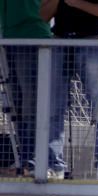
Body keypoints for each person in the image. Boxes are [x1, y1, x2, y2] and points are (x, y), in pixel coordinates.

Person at [48, 0, 98, 180]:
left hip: (90, 41)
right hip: (60, 40)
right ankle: (54, 165)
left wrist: (76, 3)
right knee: (53, 108)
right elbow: (42, 15)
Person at [2, 0, 52, 176]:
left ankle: (33, 159)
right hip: (9, 38)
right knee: (17, 105)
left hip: (31, 37)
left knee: (29, 103)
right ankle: (25, 158)